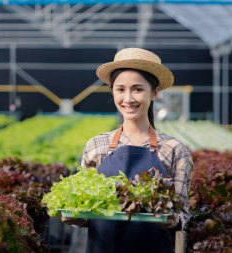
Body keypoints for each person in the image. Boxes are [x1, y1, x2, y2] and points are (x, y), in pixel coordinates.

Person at [65, 48, 194, 253]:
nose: (128, 98)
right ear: (112, 91)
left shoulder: (174, 150)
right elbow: (87, 214)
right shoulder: (95, 147)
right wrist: (74, 215)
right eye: (120, 89)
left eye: (137, 89)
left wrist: (171, 218)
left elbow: (183, 215)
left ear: (155, 92)